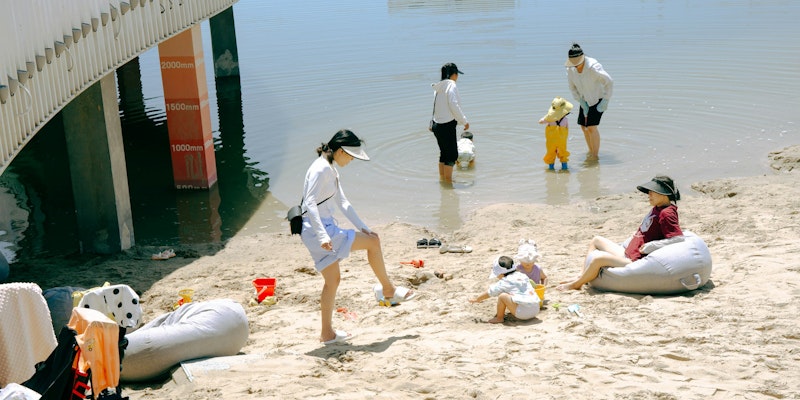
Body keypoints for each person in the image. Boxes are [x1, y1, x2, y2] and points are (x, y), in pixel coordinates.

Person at [300, 129, 416, 345]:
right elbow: (309, 203)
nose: (351, 160)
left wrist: (363, 227)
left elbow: (343, 203)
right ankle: (388, 290)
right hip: (319, 230)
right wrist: (323, 234)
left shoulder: (328, 167)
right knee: (373, 243)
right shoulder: (321, 169)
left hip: (313, 230)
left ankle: (327, 334)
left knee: (332, 281)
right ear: (341, 151)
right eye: (351, 156)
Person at [557, 175, 685, 291]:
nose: (649, 195)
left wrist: (652, 246)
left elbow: (678, 238)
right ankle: (582, 274)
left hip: (635, 260)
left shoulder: (667, 213)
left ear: (663, 194)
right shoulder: (657, 208)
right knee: (596, 240)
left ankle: (577, 284)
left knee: (598, 259)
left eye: (652, 192)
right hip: (628, 253)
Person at [565, 43, 613, 161]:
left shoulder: (593, 67)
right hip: (584, 99)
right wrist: (580, 100)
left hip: (598, 98)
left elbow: (609, 82)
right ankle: (590, 151)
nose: (576, 66)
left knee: (591, 127)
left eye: (577, 64)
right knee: (583, 127)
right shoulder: (571, 69)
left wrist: (606, 100)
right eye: (573, 64)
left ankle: (595, 156)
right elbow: (572, 87)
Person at [468, 256, 540, 323]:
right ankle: (523, 309)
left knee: (502, 296)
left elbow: (490, 292)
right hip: (536, 309)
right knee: (517, 293)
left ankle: (499, 318)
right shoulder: (522, 275)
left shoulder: (504, 282)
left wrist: (477, 299)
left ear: (501, 274)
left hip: (523, 314)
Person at [431, 63, 470, 183]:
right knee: (452, 155)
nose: (457, 77)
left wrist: (431, 124)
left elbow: (435, 106)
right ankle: (448, 183)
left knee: (443, 153)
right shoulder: (451, 85)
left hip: (437, 125)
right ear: (453, 74)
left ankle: (443, 181)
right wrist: (464, 121)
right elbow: (454, 104)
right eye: (457, 74)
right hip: (447, 125)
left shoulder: (439, 88)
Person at [538, 96, 573, 171]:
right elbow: (567, 129)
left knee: (551, 153)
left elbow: (540, 121)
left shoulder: (550, 119)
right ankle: (564, 168)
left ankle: (551, 169)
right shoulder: (566, 120)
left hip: (551, 141)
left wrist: (547, 117)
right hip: (562, 141)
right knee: (563, 153)